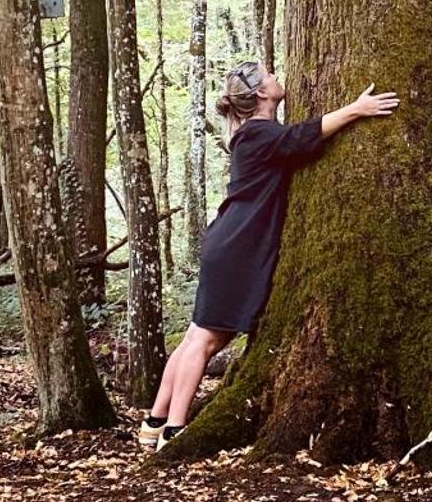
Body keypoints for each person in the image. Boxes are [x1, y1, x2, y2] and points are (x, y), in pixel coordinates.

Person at [136, 61, 397, 451]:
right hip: (235, 246)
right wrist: (356, 109)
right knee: (205, 341)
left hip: (228, 242)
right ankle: (174, 430)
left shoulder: (253, 134)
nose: (276, 76)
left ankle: (154, 422)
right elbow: (302, 136)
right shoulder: (257, 133)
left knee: (195, 336)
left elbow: (295, 139)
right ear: (260, 92)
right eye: (269, 75)